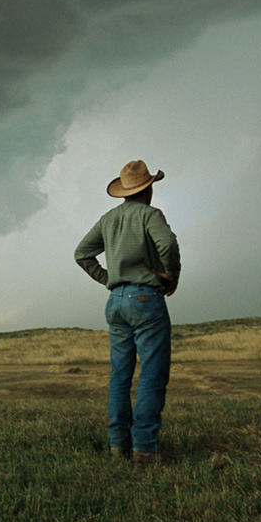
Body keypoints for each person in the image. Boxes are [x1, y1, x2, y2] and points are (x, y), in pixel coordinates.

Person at [74, 160, 180, 465]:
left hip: (115, 302)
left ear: (124, 191)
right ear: (148, 188)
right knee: (151, 373)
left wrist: (110, 279)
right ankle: (144, 449)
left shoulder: (108, 219)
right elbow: (169, 244)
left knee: (120, 375)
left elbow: (81, 253)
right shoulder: (150, 215)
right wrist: (171, 275)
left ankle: (117, 446)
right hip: (146, 298)